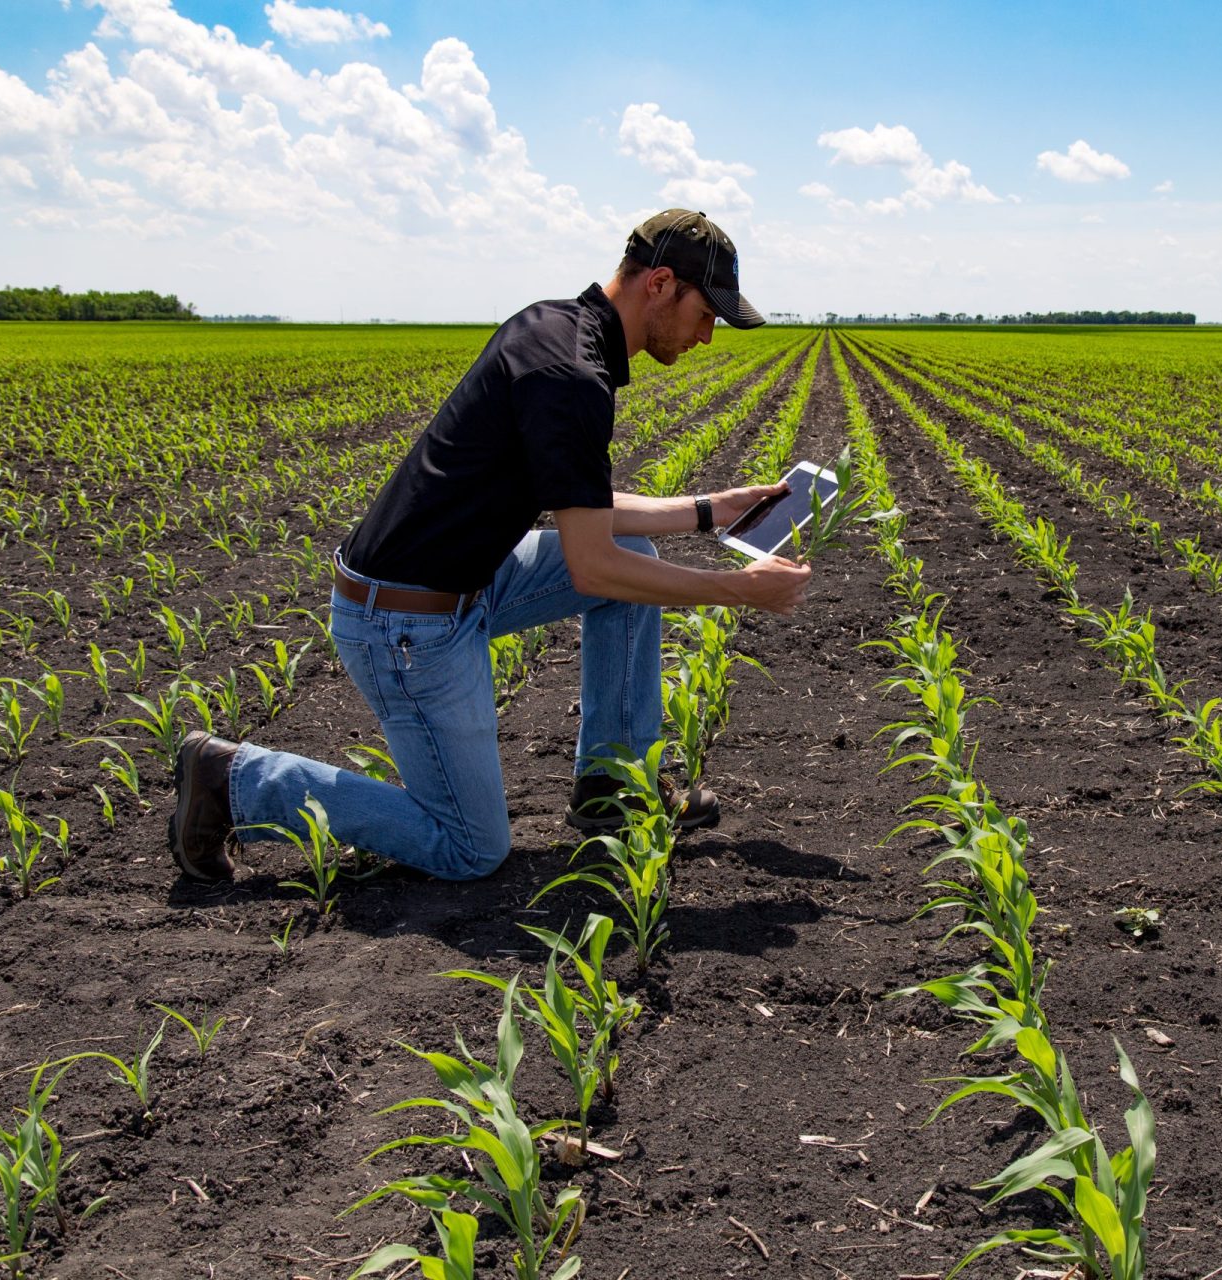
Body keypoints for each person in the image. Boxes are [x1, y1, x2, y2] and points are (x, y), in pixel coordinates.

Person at [168, 209, 812, 884]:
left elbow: (583, 512)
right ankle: (233, 780)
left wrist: (710, 512)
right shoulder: (573, 376)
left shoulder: (555, 326)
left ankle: (614, 786)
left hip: (457, 581)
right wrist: (738, 591)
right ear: (659, 284)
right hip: (406, 624)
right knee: (469, 848)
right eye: (706, 312)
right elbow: (593, 563)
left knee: (638, 567)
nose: (708, 335)